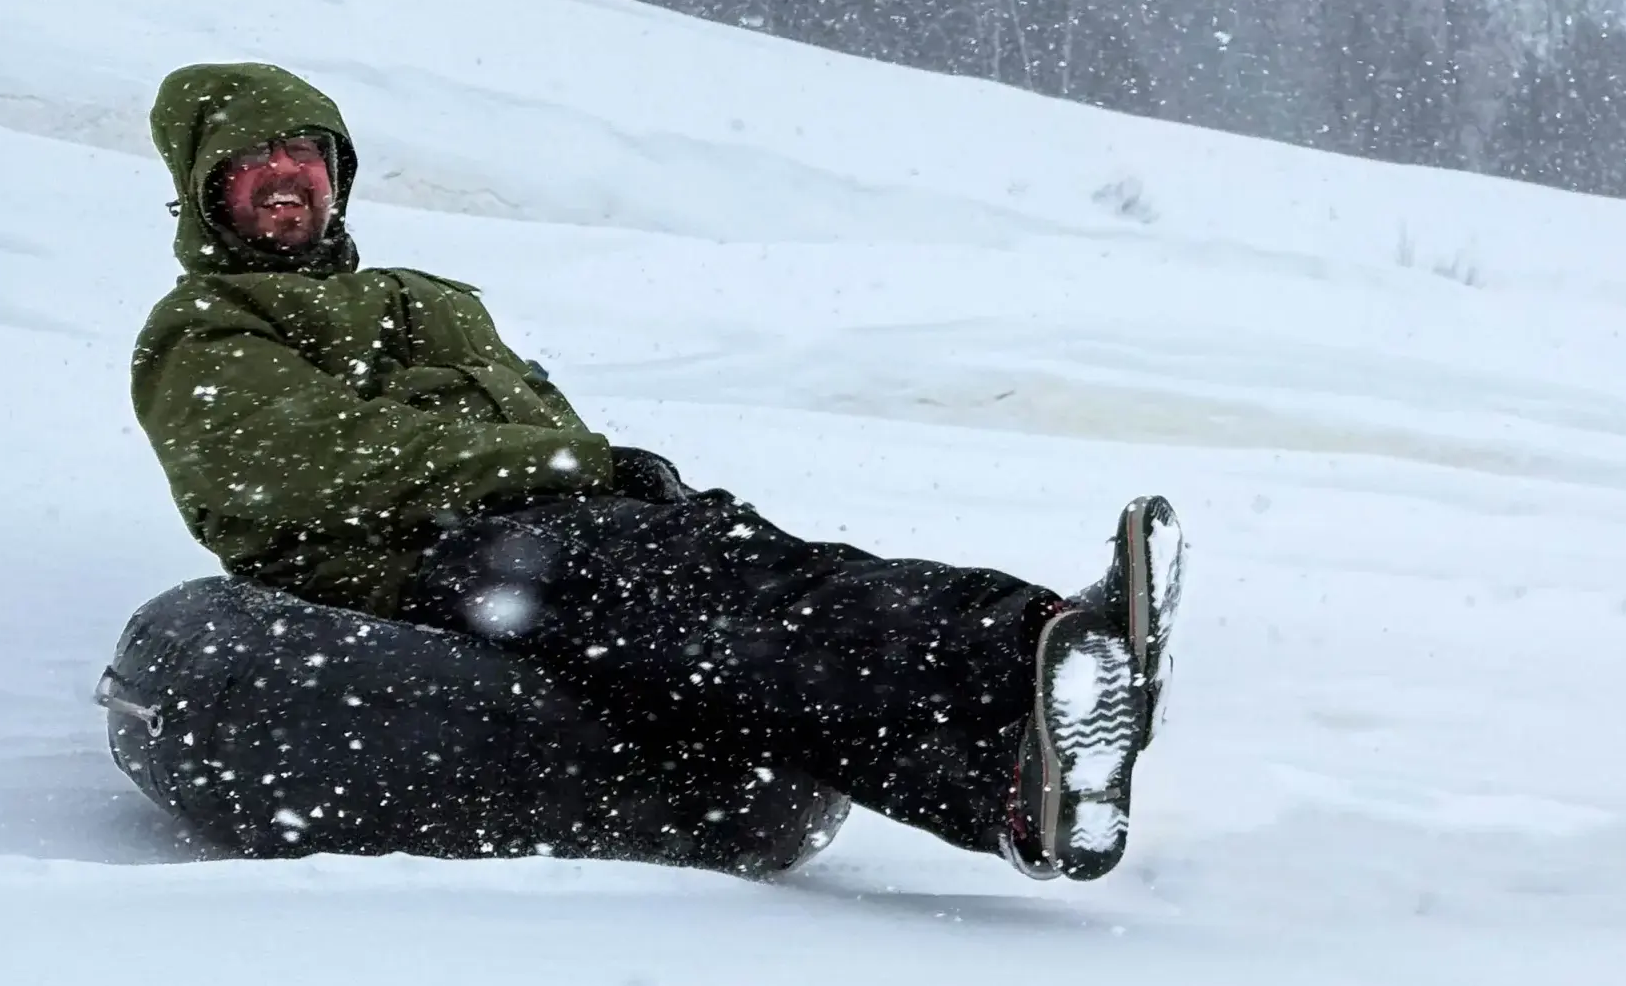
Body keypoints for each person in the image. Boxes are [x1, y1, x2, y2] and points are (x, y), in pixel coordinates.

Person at [107, 61, 1184, 883]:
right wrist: (565, 464)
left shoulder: (429, 299)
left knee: (756, 620)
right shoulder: (208, 327)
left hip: (558, 520)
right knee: (748, 605)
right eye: (258, 160)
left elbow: (540, 417)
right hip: (427, 558)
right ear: (209, 187)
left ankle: (1008, 791)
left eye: (309, 153)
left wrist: (611, 472)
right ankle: (1037, 643)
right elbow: (298, 467)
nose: (289, 175)